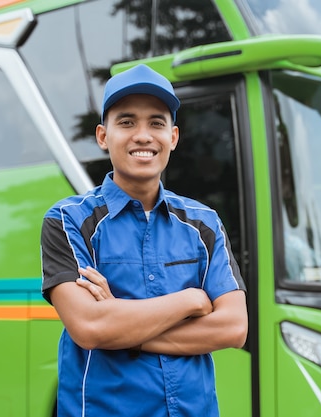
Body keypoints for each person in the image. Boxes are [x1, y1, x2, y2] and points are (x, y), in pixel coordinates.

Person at [40, 64, 248, 417]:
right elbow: (90, 327)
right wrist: (192, 300)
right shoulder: (68, 220)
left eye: (156, 123)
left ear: (174, 137)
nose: (143, 135)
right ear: (103, 136)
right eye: (126, 122)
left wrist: (120, 328)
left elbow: (233, 327)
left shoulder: (203, 223)